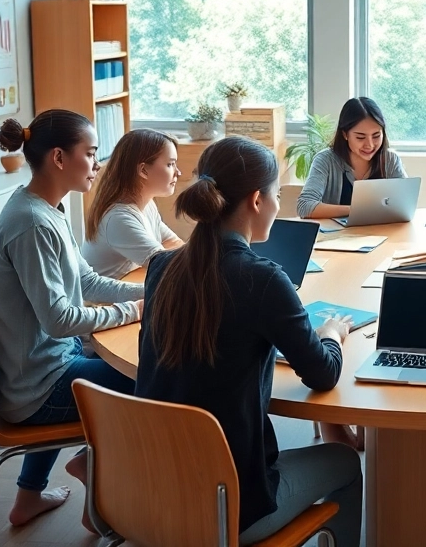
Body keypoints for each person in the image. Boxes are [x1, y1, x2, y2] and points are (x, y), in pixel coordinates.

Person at [135, 135, 362, 547]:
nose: (278, 206)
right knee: (346, 461)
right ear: (257, 200)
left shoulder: (162, 266)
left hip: (149, 492)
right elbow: (323, 374)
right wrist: (330, 334)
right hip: (228, 506)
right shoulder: (262, 278)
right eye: (277, 195)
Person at [0, 111, 143, 532]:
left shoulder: (43, 206)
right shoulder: (32, 223)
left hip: (40, 369)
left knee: (133, 367)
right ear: (58, 158)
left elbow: (84, 279)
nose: (98, 164)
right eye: (90, 154)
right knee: (153, 382)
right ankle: (97, 482)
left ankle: (28, 496)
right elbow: (60, 319)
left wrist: (147, 292)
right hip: (38, 388)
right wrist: (135, 311)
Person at [82, 128, 184, 279]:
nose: (178, 172)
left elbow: (172, 243)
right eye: (170, 164)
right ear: (143, 170)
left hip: (129, 292)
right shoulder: (119, 219)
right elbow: (167, 265)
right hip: (104, 301)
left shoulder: (147, 205)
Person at [296, 97, 406, 220]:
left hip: (382, 235)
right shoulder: (325, 160)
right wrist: (356, 210)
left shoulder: (390, 160)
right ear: (345, 134)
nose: (369, 144)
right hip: (336, 237)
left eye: (376, 136)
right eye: (360, 137)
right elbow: (305, 206)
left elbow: (405, 205)